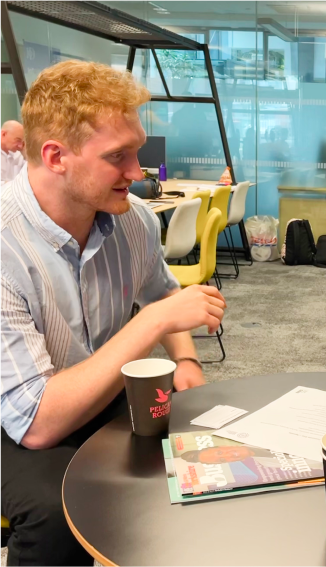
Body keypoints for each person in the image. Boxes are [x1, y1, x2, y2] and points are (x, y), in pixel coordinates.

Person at [0, 60, 226, 567]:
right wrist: (148, 325)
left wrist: (186, 362)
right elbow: (34, 423)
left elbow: (163, 295)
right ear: (56, 156)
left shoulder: (132, 221)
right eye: (118, 157)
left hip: (90, 390)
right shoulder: (3, 245)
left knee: (195, 455)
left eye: (137, 152)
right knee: (56, 512)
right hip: (14, 413)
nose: (136, 173)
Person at [0, 119, 25, 184]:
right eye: (18, 140)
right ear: (3, 134)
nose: (20, 146)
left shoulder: (17, 155)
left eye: (22, 142)